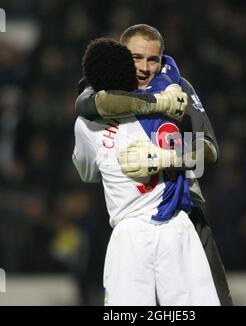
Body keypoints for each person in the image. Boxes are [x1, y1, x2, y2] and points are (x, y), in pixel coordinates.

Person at [75, 24, 232, 306]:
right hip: (129, 228)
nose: (145, 67)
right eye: (136, 57)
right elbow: (86, 112)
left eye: (153, 59)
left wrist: (166, 157)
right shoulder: (95, 104)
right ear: (122, 56)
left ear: (162, 61)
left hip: (182, 219)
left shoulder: (179, 92)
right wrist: (156, 103)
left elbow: (209, 152)